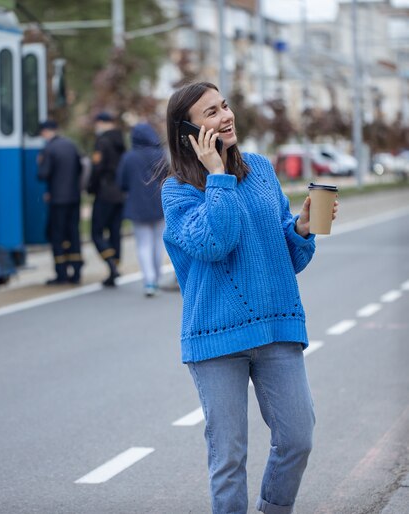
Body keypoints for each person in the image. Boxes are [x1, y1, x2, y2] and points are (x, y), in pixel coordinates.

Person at [159, 82, 338, 514]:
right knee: (229, 456)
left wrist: (300, 228)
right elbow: (216, 242)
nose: (226, 116)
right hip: (216, 338)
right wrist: (216, 174)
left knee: (298, 437)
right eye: (211, 113)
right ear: (187, 130)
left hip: (277, 328)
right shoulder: (178, 190)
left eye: (225, 106)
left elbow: (285, 255)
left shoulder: (259, 169)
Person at [116, 122, 166, 297]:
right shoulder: (160, 155)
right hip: (159, 204)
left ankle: (149, 280)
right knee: (159, 242)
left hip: (137, 205)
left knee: (143, 244)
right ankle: (157, 278)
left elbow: (121, 182)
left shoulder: (128, 157)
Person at [37, 120, 83, 285]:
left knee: (56, 235)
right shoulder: (71, 145)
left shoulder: (49, 149)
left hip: (57, 199)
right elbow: (80, 168)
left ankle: (61, 272)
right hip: (74, 197)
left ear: (45, 132)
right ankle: (77, 271)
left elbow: (43, 174)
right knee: (73, 234)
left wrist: (40, 162)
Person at [88, 112, 126, 287]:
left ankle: (111, 264)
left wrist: (91, 187)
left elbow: (97, 168)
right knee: (114, 231)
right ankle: (115, 267)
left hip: (105, 191)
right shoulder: (120, 141)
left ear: (101, 123)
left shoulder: (102, 142)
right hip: (120, 192)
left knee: (96, 232)